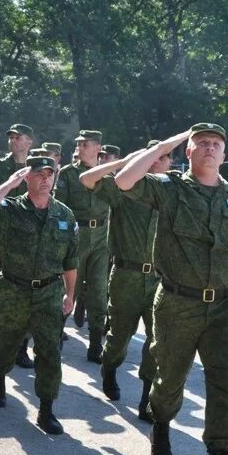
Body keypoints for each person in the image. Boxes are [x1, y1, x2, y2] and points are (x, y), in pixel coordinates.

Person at [115, 123, 228, 455]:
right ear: (189, 153)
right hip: (177, 303)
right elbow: (125, 181)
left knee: (225, 387)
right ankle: (161, 427)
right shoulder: (169, 187)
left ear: (224, 155)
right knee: (170, 378)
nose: (209, 148)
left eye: (216, 144)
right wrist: (167, 143)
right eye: (201, 143)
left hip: (225, 308)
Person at [0, 156, 78, 435]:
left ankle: (46, 410)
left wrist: (71, 294)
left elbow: (70, 261)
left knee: (49, 352)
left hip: (49, 292)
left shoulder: (65, 215)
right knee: (5, 341)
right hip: (13, 289)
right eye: (38, 174)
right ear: (27, 178)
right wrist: (9, 184)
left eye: (50, 173)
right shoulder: (9, 208)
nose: (45, 179)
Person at [81, 141, 171, 420]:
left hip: (160, 279)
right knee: (119, 338)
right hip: (126, 276)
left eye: (163, 157)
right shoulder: (123, 189)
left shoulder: (173, 193)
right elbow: (87, 178)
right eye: (151, 156)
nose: (157, 162)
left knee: (157, 343)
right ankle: (109, 369)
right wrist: (123, 163)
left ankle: (146, 399)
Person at [0, 123, 34, 367]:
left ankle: (21, 347)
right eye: (10, 137)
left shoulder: (39, 168)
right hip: (2, 237)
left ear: (29, 141)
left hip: (32, 242)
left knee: (27, 296)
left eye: (18, 137)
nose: (13, 140)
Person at [55, 129, 111, 363]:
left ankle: (96, 343)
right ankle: (56, 334)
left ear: (98, 147)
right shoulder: (68, 174)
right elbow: (59, 207)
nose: (79, 146)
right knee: (70, 289)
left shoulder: (107, 175)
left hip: (101, 238)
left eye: (85, 143)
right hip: (76, 235)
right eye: (78, 142)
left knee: (99, 291)